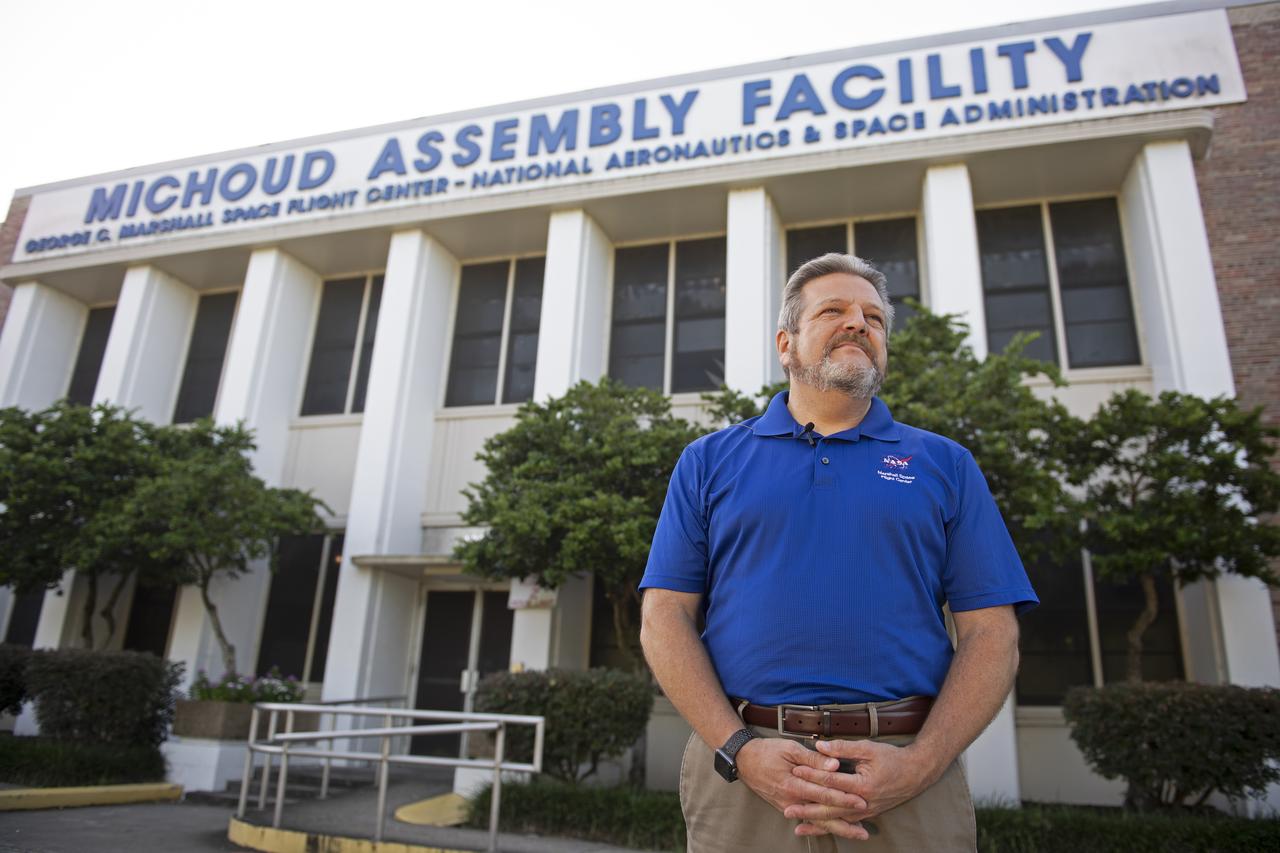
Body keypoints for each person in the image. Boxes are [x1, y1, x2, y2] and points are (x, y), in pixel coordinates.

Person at [638, 252, 1038, 852]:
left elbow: (992, 635)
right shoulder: (708, 461)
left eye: (874, 318)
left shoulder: (945, 464)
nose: (860, 324)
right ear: (786, 343)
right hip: (744, 770)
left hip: (906, 772)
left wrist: (922, 764)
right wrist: (740, 750)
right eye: (834, 310)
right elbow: (663, 618)